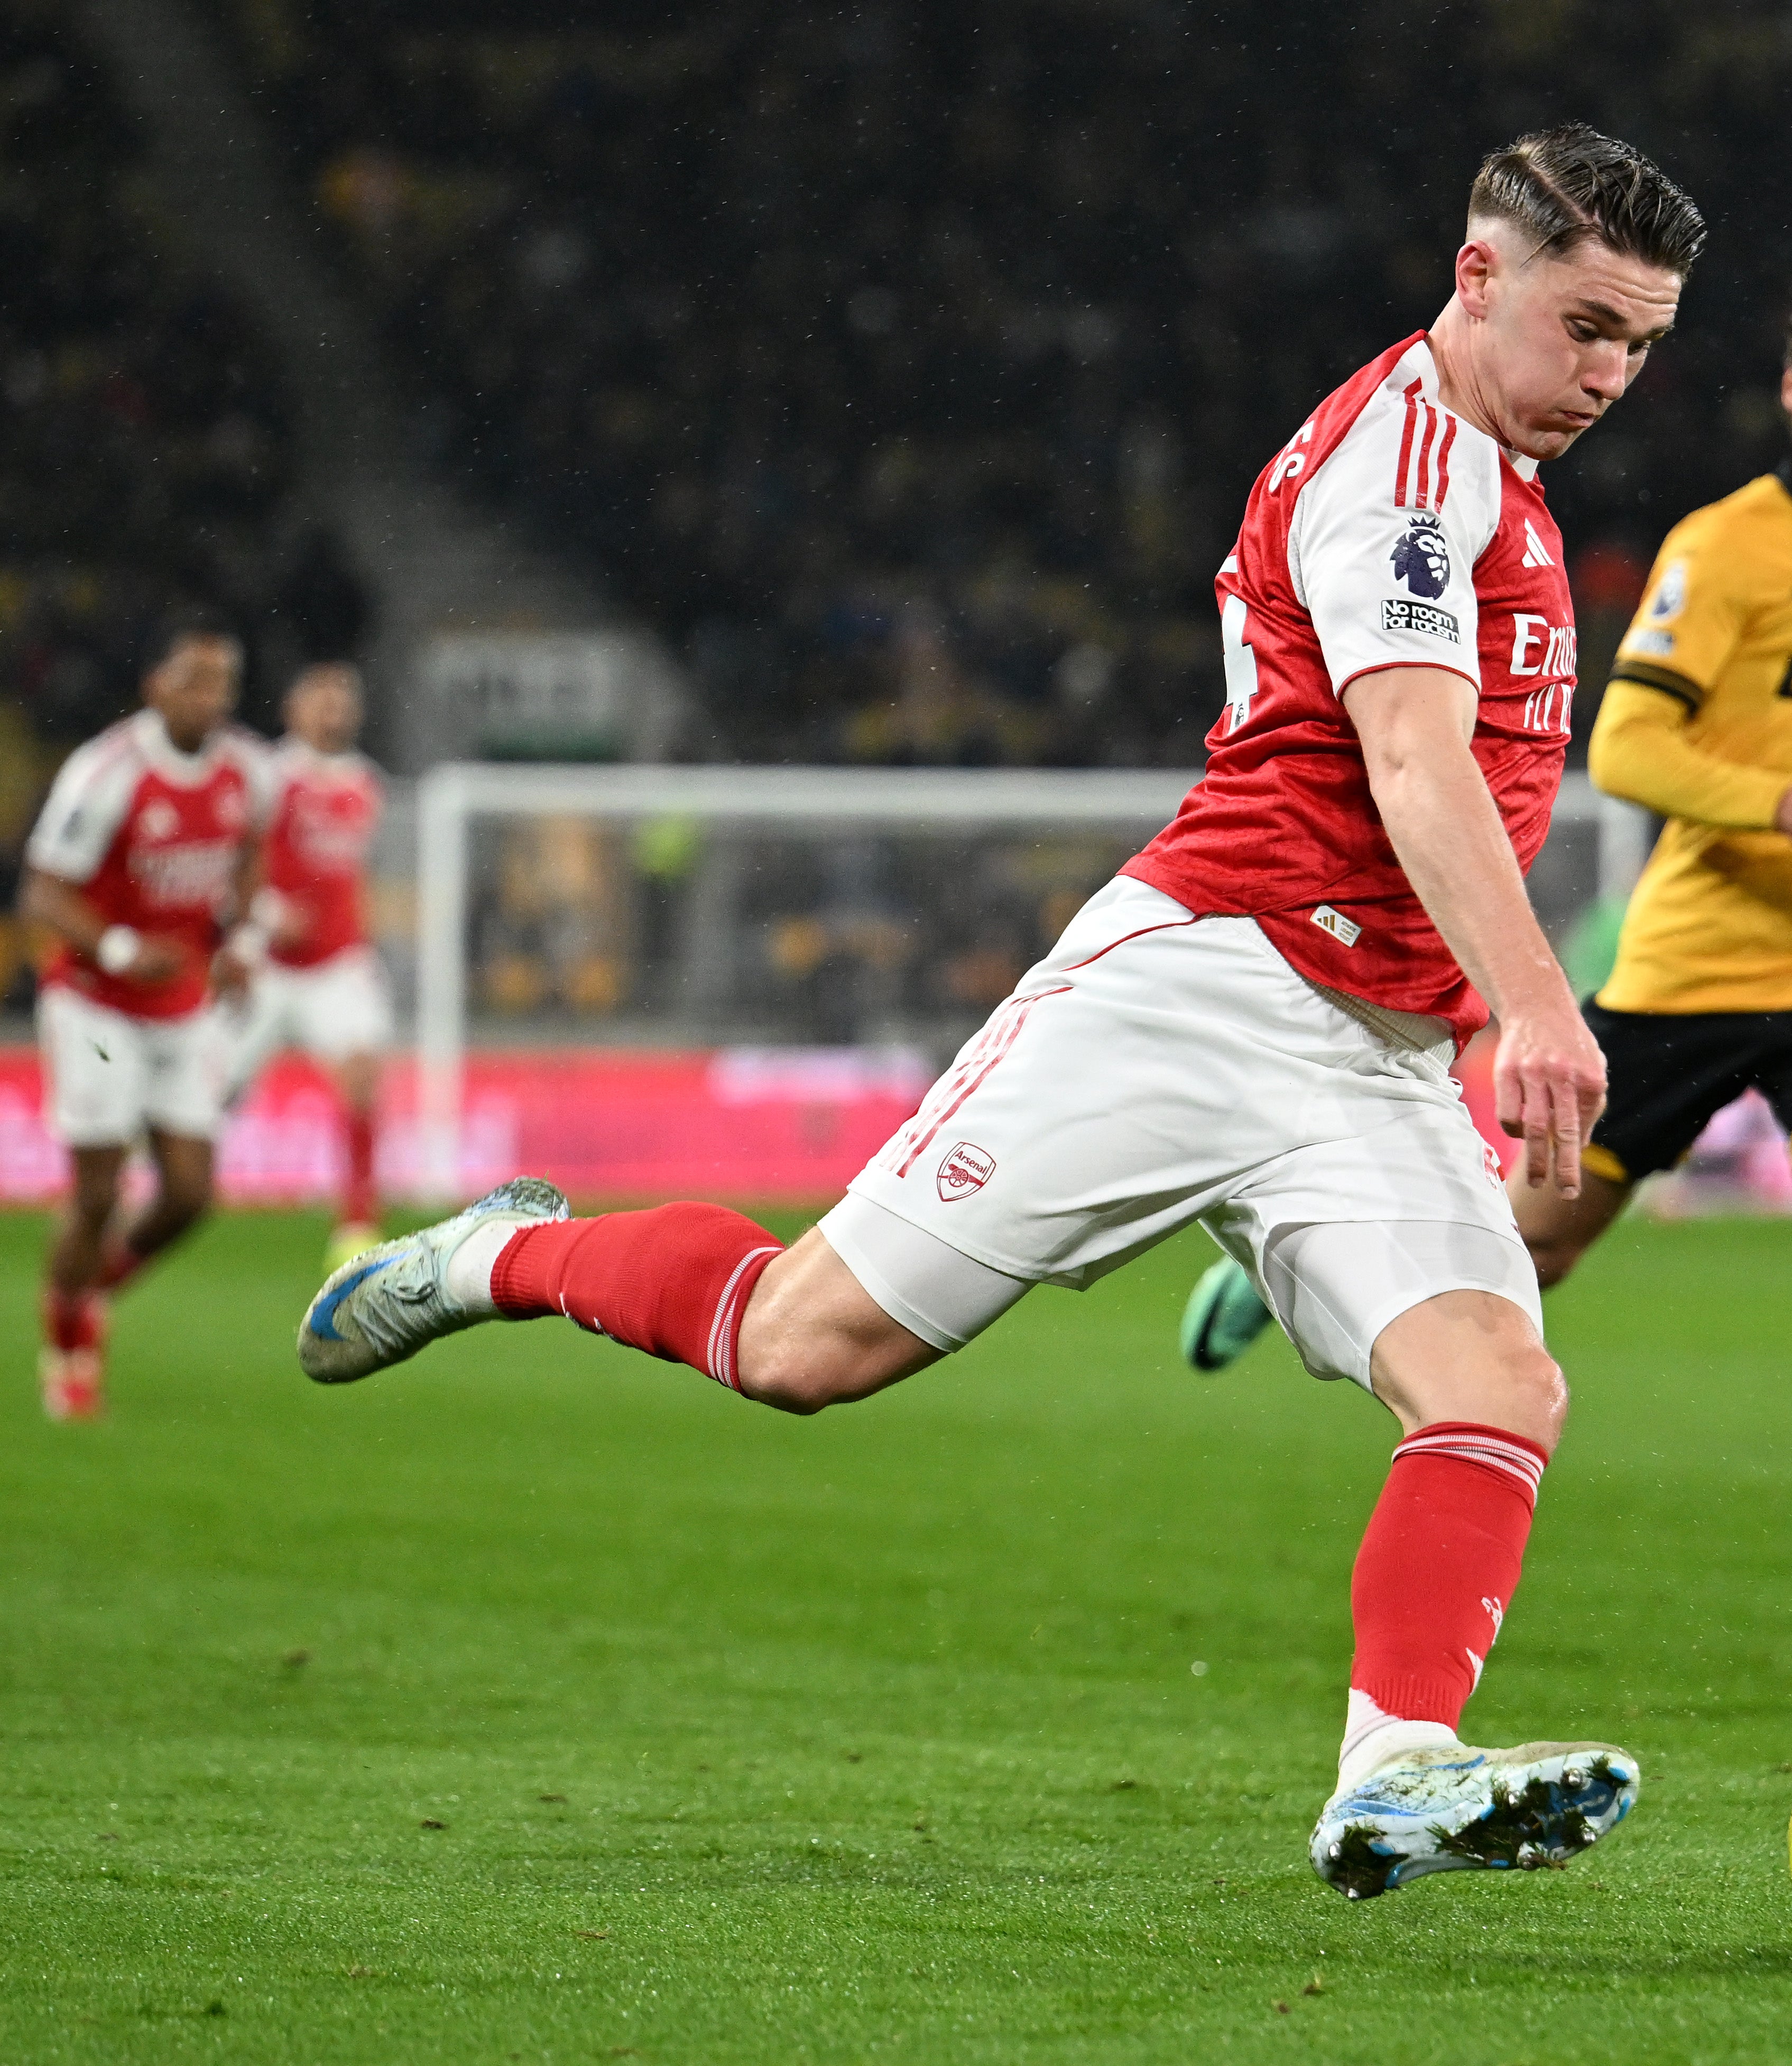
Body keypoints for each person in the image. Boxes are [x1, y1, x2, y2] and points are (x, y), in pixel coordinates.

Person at [297, 125, 1704, 1900]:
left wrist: (1470, 1009)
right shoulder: (1405, 470)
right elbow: (1413, 762)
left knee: (1498, 1381)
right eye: (1588, 326)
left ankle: (1394, 1767)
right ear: (1477, 276)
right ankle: (502, 1253)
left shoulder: (1497, 472)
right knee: (798, 1345)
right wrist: (1539, 1005)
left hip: (1376, 1049)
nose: (1611, 375)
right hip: (1206, 986)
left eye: (1641, 343)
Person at [1183, 263, 1792, 1684]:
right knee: (1532, 1246)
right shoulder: (1726, 547)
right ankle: (1304, 1261)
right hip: (1689, 972)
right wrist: (1777, 804)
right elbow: (1629, 744)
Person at [25, 612, 272, 1420]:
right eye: (195, 681)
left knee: (191, 1193)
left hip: (182, 1004)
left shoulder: (247, 770)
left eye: (223, 683)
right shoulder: (108, 772)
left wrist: (240, 941)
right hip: (95, 1006)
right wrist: (122, 949)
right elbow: (42, 890)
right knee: (98, 1195)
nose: (212, 698)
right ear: (155, 686)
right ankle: (68, 1343)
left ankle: (89, 1290)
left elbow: (251, 853)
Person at [227, 663, 392, 1268]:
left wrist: (362, 935)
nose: (334, 712)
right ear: (292, 709)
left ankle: (357, 1223)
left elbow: (354, 875)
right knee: (205, 1093)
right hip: (264, 965)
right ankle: (143, 1185)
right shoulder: (268, 777)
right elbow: (231, 861)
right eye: (322, 700)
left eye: (343, 701)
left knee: (362, 1076)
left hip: (337, 965)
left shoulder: (366, 783)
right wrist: (267, 915)